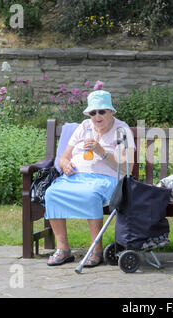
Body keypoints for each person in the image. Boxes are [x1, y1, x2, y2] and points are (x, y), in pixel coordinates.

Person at [44, 90, 135, 267]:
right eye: (93, 113)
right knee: (51, 193)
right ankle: (63, 249)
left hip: (105, 179)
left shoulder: (121, 130)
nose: (97, 116)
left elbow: (127, 167)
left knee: (91, 195)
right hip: (76, 177)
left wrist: (101, 151)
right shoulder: (85, 126)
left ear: (111, 112)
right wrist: (65, 165)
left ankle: (96, 250)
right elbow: (64, 157)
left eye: (101, 111)